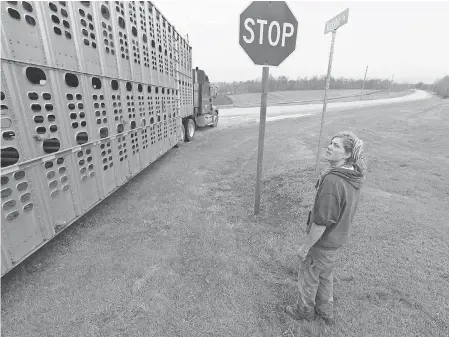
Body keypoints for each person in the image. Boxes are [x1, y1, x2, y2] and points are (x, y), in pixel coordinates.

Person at [285, 131, 367, 325]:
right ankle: (325, 312)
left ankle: (304, 311)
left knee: (309, 276)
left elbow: (322, 221)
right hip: (337, 240)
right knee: (325, 276)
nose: (330, 147)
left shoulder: (332, 182)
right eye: (331, 143)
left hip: (323, 242)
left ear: (347, 154)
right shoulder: (352, 175)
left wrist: (305, 247)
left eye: (336, 146)